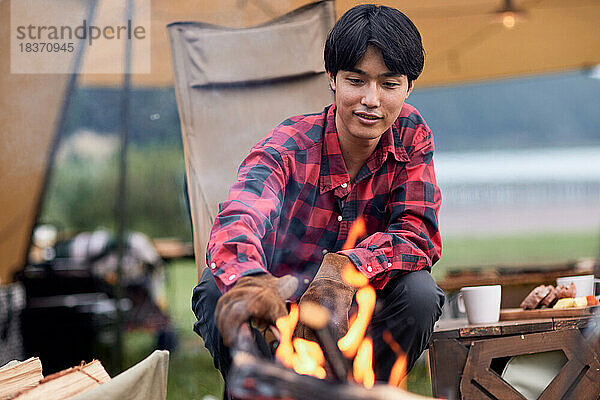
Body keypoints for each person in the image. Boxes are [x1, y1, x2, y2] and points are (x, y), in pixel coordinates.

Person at [192, 3, 445, 389]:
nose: (371, 99)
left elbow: (418, 233)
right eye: (356, 81)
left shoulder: (411, 134)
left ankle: (363, 397)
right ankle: (259, 392)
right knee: (216, 289)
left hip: (359, 314)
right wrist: (252, 282)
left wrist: (345, 271)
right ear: (332, 78)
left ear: (409, 87)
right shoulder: (287, 147)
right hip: (280, 314)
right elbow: (239, 218)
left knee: (421, 293)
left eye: (389, 84)